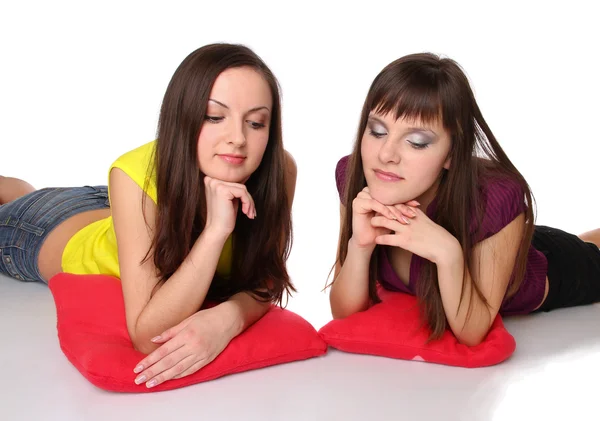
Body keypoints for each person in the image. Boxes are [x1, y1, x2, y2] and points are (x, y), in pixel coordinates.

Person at [0, 43, 297, 388]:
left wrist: (228, 318)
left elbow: (268, 276)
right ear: (183, 115)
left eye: (256, 122)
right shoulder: (134, 175)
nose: (238, 139)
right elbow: (147, 334)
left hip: (121, 206)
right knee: (19, 201)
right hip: (46, 229)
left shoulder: (280, 171)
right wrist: (216, 230)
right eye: (215, 117)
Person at [328, 53, 600, 347]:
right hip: (508, 242)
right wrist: (360, 245)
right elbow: (344, 313)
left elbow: (472, 333)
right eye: (377, 131)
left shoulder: (496, 196)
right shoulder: (356, 176)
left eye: (416, 142)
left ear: (451, 154)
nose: (386, 154)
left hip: (556, 268)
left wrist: (448, 252)